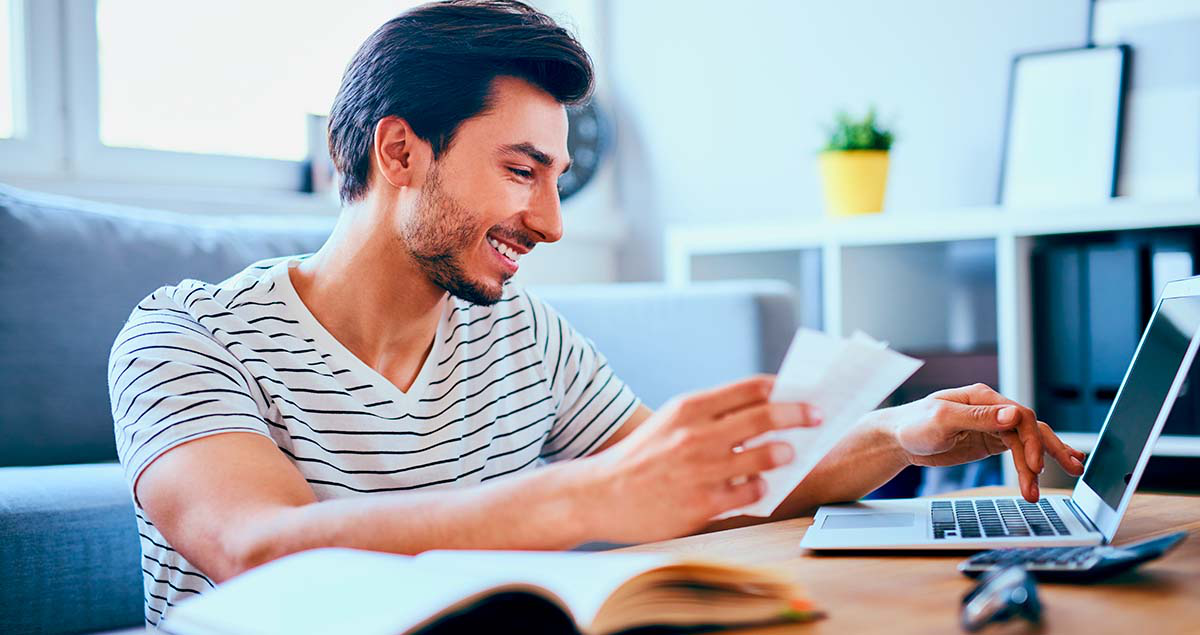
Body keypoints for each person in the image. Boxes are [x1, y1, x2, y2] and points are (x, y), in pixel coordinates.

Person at [107, 0, 1086, 627]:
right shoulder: (185, 334)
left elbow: (707, 487)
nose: (551, 221)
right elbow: (252, 545)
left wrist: (900, 433)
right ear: (398, 151)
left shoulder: (520, 333)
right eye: (520, 170)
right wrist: (589, 497)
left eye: (558, 178)